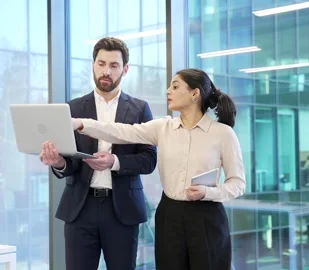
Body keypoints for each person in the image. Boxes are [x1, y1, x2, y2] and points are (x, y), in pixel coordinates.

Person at [71, 68, 246, 270]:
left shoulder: (223, 134)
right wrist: (80, 123)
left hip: (207, 217)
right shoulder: (163, 127)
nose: (167, 90)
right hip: (169, 215)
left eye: (175, 86)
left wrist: (209, 192)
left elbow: (238, 183)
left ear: (194, 93)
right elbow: (120, 131)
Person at [39, 37, 157, 270]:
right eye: (101, 64)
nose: (106, 71)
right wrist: (59, 161)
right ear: (93, 65)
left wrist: (115, 161)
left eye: (113, 66)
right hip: (80, 209)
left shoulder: (139, 108)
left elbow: (149, 160)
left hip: (122, 210)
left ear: (125, 69)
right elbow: (70, 161)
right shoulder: (72, 108)